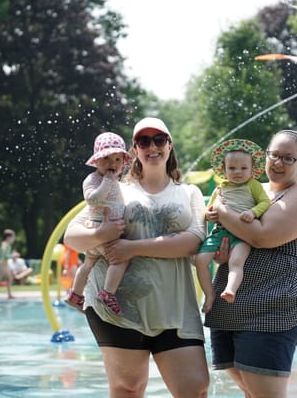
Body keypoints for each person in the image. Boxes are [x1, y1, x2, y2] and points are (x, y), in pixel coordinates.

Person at [63, 117, 209, 397]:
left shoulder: (189, 192)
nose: (152, 147)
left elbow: (192, 242)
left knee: (195, 388)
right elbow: (72, 236)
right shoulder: (117, 189)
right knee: (127, 389)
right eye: (144, 141)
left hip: (175, 308)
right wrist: (101, 234)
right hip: (118, 309)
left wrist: (132, 248)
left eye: (159, 140)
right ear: (134, 150)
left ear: (170, 145)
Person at [204, 130, 297, 398]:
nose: (278, 163)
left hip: (273, 309)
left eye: (288, 158)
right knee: (250, 391)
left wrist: (222, 210)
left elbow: (261, 236)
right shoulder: (250, 189)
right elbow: (227, 235)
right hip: (230, 307)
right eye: (274, 155)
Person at [195, 139, 270, 313]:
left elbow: (265, 202)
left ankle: (230, 289)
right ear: (224, 170)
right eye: (232, 168)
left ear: (252, 170)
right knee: (200, 261)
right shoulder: (220, 189)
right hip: (220, 232)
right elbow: (209, 209)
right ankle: (209, 294)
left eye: (243, 168)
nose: (237, 172)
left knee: (236, 262)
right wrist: (209, 214)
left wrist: (253, 212)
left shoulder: (253, 185)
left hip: (242, 234)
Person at [64, 132, 131, 314]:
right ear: (96, 161)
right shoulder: (93, 179)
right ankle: (108, 292)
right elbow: (92, 200)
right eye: (107, 159)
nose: (113, 164)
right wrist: (107, 183)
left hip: (103, 230)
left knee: (88, 264)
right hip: (99, 228)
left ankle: (75, 295)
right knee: (120, 260)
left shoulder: (116, 181)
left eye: (118, 159)